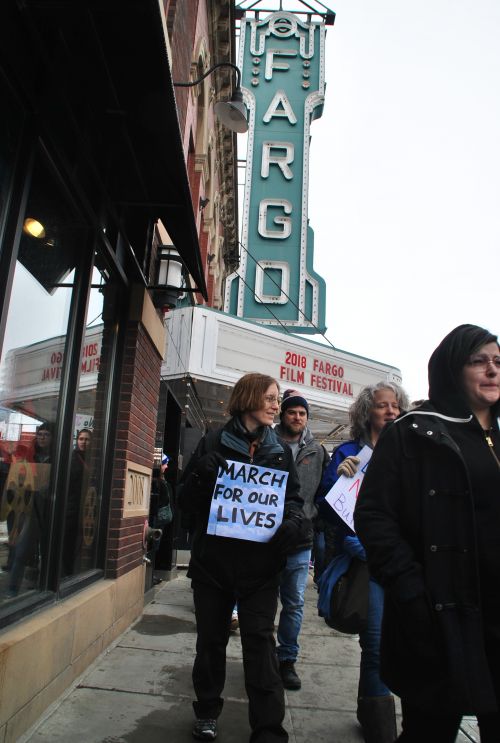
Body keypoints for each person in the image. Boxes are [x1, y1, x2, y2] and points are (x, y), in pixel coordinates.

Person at [354, 324, 500, 742]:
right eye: (479, 361)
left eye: (498, 361)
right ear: (454, 368)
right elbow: (375, 517)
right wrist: (413, 592)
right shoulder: (414, 432)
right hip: (441, 617)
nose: (492, 370)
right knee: (430, 731)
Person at [178, 372, 303, 742]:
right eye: (268, 397)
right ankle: (206, 711)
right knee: (211, 642)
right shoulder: (213, 441)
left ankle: (267, 728)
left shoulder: (279, 451)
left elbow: (293, 501)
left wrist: (295, 523)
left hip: (261, 569)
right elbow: (185, 502)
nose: (274, 405)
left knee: (260, 644)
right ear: (247, 397)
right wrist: (202, 474)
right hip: (213, 566)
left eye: (277, 398)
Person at [316, 381, 410, 743]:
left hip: (400, 560)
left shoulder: (407, 452)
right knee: (374, 641)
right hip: (364, 563)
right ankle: (379, 724)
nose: (390, 412)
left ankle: (366, 705)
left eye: (395, 406)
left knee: (394, 641)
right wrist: (337, 479)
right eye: (383, 406)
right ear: (366, 412)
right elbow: (325, 507)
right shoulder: (347, 452)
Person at [273, 388, 330, 690]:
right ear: (283, 414)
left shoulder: (318, 451)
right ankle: (263, 659)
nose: (297, 417)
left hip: (301, 540)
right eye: (292, 411)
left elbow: (328, 488)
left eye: (302, 413)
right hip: (265, 538)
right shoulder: (266, 442)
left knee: (293, 605)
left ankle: (287, 661)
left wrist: (314, 514)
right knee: (264, 603)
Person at [63, 428, 92, 576]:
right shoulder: (72, 458)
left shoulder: (93, 459)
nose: (83, 442)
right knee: (68, 543)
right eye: (81, 439)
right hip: (71, 507)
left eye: (87, 439)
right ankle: (66, 573)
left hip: (86, 508)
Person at [148, 452, 174, 584]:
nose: (167, 466)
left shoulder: (161, 481)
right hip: (156, 518)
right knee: (153, 546)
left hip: (159, 519)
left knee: (155, 546)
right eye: (165, 464)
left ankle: (151, 573)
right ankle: (149, 575)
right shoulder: (157, 482)